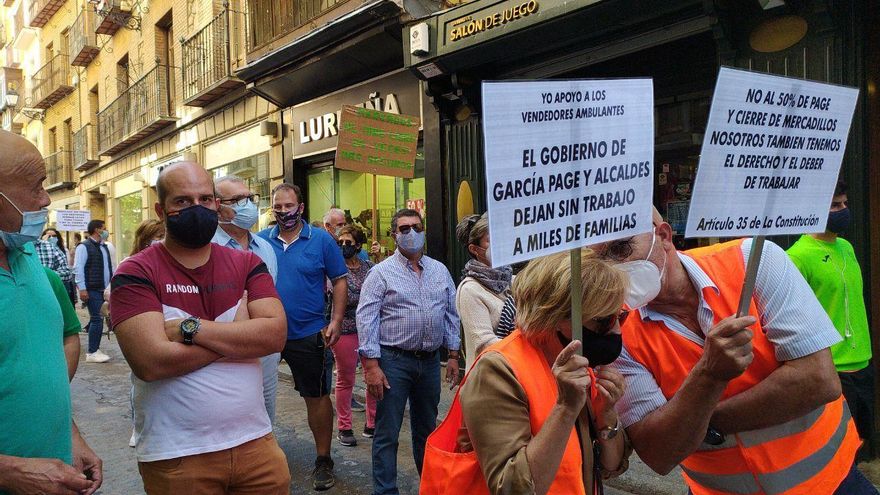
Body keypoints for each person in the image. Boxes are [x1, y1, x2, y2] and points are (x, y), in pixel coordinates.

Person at [590, 209, 872, 494]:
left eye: (621, 248)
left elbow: (818, 380)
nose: (612, 268)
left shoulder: (753, 260)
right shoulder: (615, 332)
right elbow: (660, 453)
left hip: (832, 481)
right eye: (598, 260)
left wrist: (700, 424)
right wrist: (708, 375)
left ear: (662, 235)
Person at [109, 161, 290, 494]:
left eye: (205, 199)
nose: (198, 208)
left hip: (257, 446)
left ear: (216, 205)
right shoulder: (135, 272)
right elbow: (151, 362)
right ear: (161, 210)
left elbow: (274, 336)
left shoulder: (247, 262)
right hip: (178, 457)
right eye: (183, 201)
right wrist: (237, 336)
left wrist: (187, 329)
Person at [422, 251, 631, 494]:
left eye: (621, 316)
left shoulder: (579, 363)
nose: (616, 330)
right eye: (604, 321)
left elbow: (611, 466)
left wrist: (607, 414)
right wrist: (565, 409)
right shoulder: (497, 370)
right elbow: (513, 489)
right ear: (556, 316)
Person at [0, 130, 102, 495]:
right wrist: (9, 472)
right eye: (35, 185)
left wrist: (71, 436)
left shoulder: (30, 262)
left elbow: (37, 371)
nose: (45, 198)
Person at [356, 208, 461, 495]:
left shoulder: (440, 270)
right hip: (393, 361)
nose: (411, 233)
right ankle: (386, 490)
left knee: (427, 431)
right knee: (388, 431)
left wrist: (453, 355)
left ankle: (431, 486)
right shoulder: (380, 274)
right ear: (394, 235)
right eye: (404, 229)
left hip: (429, 363)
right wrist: (371, 365)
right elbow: (366, 319)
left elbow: (452, 313)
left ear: (424, 230)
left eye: (416, 226)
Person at [258, 183, 347, 491]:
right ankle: (257, 456)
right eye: (278, 207)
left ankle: (323, 459)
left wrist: (335, 320)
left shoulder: (321, 239)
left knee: (317, 396)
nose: (284, 212)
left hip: (309, 333)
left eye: (289, 206)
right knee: (255, 395)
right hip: (265, 334)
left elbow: (339, 280)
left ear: (301, 207)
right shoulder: (259, 242)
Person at [788, 179, 874, 460]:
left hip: (862, 364)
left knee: (860, 446)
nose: (843, 210)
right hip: (830, 371)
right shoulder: (797, 257)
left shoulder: (846, 248)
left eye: (845, 204)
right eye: (835, 205)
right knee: (834, 452)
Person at [212, 175, 281, 425]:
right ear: (218, 205)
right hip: (222, 352)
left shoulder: (265, 248)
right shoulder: (205, 248)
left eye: (250, 198)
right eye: (239, 199)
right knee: (228, 417)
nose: (248, 205)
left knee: (265, 415)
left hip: (265, 352)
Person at [333, 225, 377, 447]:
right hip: (346, 330)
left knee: (373, 375)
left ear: (359, 246)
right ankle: (344, 426)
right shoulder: (334, 269)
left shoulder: (370, 267)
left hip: (369, 330)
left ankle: (372, 422)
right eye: (340, 242)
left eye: (348, 243)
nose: (343, 246)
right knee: (346, 378)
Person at [455, 213, 516, 370]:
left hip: (518, 373)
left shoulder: (514, 281)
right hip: (490, 377)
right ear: (475, 249)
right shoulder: (470, 290)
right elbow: (485, 343)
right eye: (491, 240)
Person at [75, 219, 113, 363]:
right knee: (97, 319)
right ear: (97, 230)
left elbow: (109, 267)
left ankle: (94, 349)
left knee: (99, 318)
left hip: (103, 289)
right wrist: (82, 288)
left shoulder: (104, 247)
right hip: (92, 289)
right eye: (104, 228)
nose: (106, 231)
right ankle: (92, 352)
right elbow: (78, 268)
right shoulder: (84, 247)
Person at [36, 227, 76, 305]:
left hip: (55, 290)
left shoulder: (57, 249)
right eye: (49, 236)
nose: (51, 238)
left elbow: (67, 270)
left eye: (54, 236)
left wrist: (46, 276)